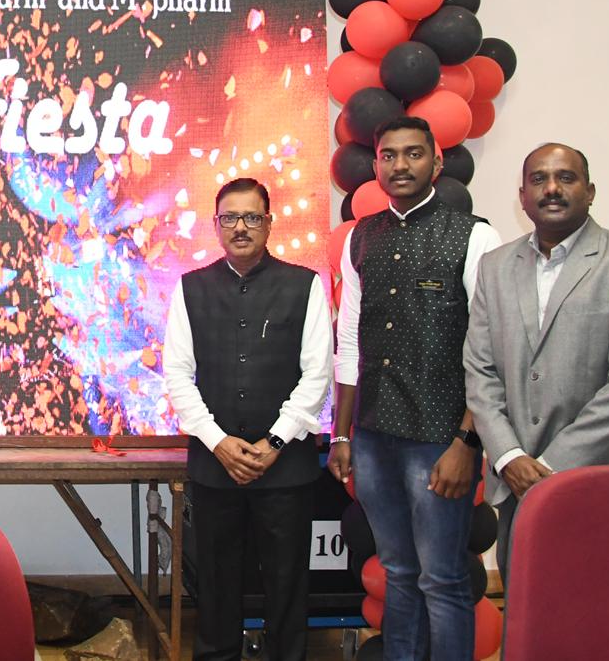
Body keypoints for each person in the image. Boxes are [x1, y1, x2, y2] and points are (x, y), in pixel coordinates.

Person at [327, 117, 501, 661]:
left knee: (442, 578)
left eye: (413, 154)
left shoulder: (474, 236)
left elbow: (489, 350)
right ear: (375, 165)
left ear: (437, 161)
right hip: (374, 435)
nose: (400, 165)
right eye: (389, 156)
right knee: (398, 572)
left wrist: (467, 442)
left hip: (440, 439)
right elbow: (349, 339)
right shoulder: (361, 237)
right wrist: (341, 434)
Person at [464, 143, 609, 583]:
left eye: (566, 177)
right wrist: (510, 457)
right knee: (529, 609)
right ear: (523, 197)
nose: (552, 188)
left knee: (606, 610)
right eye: (539, 179)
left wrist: (549, 467)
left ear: (590, 191)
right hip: (518, 486)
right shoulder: (495, 267)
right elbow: (480, 370)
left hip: (604, 483)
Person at [163, 178, 333, 661]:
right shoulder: (191, 288)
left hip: (287, 469)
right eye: (230, 218)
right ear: (216, 225)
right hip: (214, 468)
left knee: (287, 587)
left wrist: (274, 442)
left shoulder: (304, 285)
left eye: (252, 217)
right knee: (216, 590)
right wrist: (218, 441)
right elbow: (177, 375)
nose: (241, 227)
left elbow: (318, 373)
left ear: (269, 223)